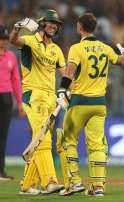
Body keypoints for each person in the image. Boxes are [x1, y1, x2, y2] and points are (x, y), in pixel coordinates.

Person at [55, 12, 124, 197]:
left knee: (68, 140)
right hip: (99, 104)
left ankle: (74, 182)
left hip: (79, 101)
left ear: (79, 27)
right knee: (97, 145)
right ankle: (98, 187)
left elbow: (70, 71)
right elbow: (121, 61)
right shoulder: (105, 48)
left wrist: (61, 90)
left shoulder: (76, 48)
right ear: (94, 28)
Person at [9, 9, 65, 194]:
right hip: (33, 96)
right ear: (42, 23)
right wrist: (17, 28)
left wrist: (65, 91)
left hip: (50, 99)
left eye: (56, 24)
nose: (54, 26)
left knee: (38, 140)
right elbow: (13, 41)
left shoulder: (56, 50)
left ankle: (27, 185)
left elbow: (65, 74)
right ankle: (49, 181)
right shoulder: (31, 41)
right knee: (44, 138)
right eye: (51, 23)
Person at [0, 25, 25, 181]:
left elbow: (16, 81)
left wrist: (21, 103)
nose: (3, 42)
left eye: (4, 39)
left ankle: (1, 171)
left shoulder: (11, 57)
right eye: (1, 39)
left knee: (3, 136)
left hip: (6, 99)